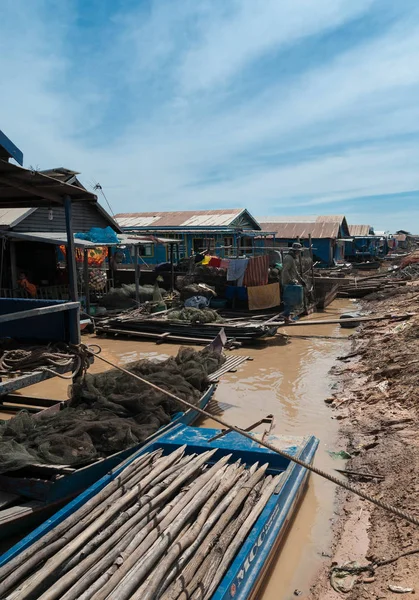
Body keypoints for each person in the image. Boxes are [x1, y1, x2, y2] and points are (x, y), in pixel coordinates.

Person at [281, 243, 306, 321]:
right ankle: (286, 316)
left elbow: (295, 271)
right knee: (289, 300)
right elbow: (285, 271)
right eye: (298, 251)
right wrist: (290, 281)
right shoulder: (289, 258)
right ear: (295, 251)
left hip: (291, 282)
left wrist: (301, 280)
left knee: (292, 300)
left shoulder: (292, 258)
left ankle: (287, 316)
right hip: (287, 282)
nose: (299, 253)